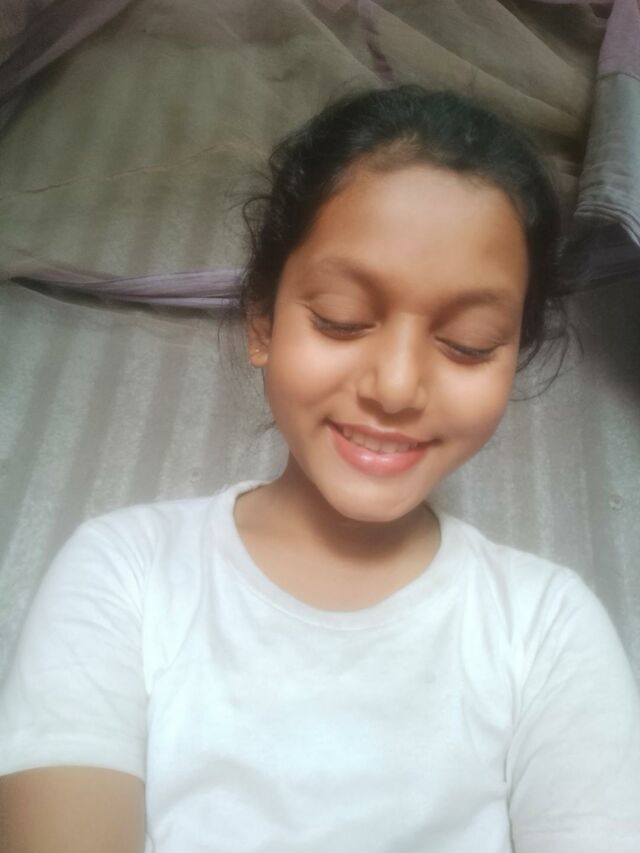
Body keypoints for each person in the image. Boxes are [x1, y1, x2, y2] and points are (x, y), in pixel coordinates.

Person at [1, 85, 639, 853]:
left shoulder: (547, 631)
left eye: (468, 342)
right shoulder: (127, 574)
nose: (395, 386)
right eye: (341, 319)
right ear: (262, 321)